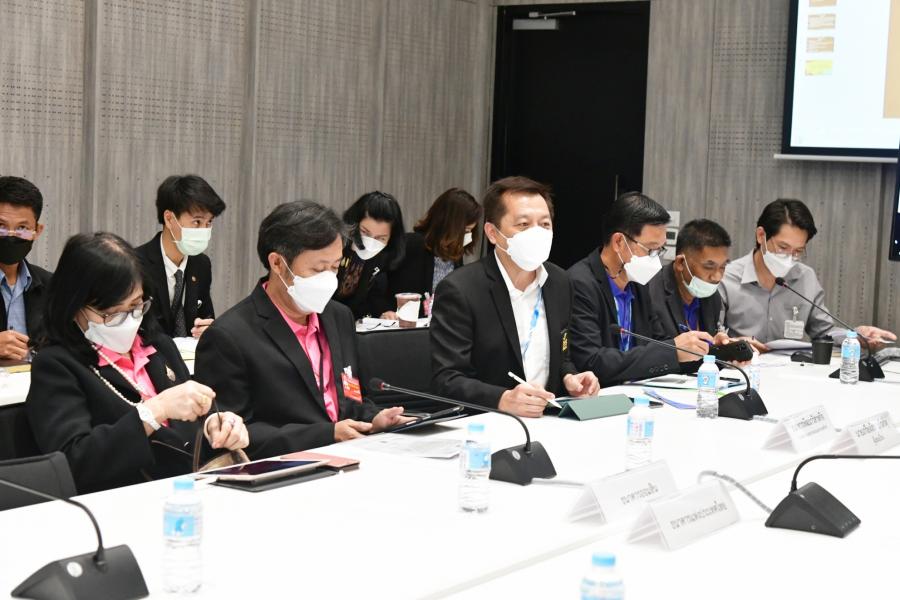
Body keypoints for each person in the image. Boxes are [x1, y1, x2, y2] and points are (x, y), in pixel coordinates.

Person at [26, 233, 248, 494]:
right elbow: (73, 462)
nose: (129, 320)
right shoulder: (56, 365)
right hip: (124, 499)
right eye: (112, 313)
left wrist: (214, 425)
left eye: (136, 306)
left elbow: (190, 421)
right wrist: (154, 411)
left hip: (190, 490)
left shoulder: (158, 345)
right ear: (75, 306)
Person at [194, 201, 412, 459]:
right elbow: (232, 437)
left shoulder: (339, 317)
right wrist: (327, 434)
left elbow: (349, 399)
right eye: (318, 269)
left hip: (352, 458)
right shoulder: (229, 336)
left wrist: (374, 419)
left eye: (335, 267)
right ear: (277, 263)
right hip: (285, 470)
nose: (329, 279)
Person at [430, 176, 599, 418]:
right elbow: (446, 379)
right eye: (523, 224)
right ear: (492, 233)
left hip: (548, 420)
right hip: (487, 422)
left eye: (545, 224)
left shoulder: (560, 282)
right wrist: (502, 399)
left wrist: (570, 376)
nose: (537, 233)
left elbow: (562, 355)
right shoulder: (460, 290)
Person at [568, 192, 714, 386]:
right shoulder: (580, 283)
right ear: (619, 242)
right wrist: (672, 350)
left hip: (636, 393)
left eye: (660, 250)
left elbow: (659, 343)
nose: (656, 259)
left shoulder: (638, 284)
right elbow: (591, 360)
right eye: (651, 249)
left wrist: (708, 348)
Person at [720, 198, 896, 350]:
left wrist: (857, 336)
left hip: (790, 372)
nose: (789, 257)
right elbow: (714, 337)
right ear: (761, 236)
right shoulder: (726, 277)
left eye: (798, 251)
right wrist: (733, 344)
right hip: (740, 369)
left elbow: (824, 332)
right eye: (783, 247)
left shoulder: (805, 277)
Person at [136, 175, 226, 339]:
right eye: (197, 222)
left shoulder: (201, 264)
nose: (204, 230)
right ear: (169, 219)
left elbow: (206, 316)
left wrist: (208, 330)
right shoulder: (136, 264)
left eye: (209, 223)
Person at [389, 188, 482, 316]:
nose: (469, 236)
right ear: (449, 225)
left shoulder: (454, 254)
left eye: (471, 231)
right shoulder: (412, 245)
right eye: (465, 231)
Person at [648, 219, 731, 339]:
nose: (717, 277)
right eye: (709, 266)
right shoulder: (651, 294)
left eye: (722, 267)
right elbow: (650, 347)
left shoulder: (713, 297)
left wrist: (721, 346)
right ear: (680, 263)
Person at [0, 176, 51, 361]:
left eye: (22, 227)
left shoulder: (51, 285)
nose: (11, 235)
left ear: (37, 231)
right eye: (1, 226)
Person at [334, 191, 406, 320]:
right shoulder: (334, 246)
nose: (371, 242)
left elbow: (372, 297)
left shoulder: (383, 256)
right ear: (353, 223)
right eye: (365, 232)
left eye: (381, 238)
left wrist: (384, 312)